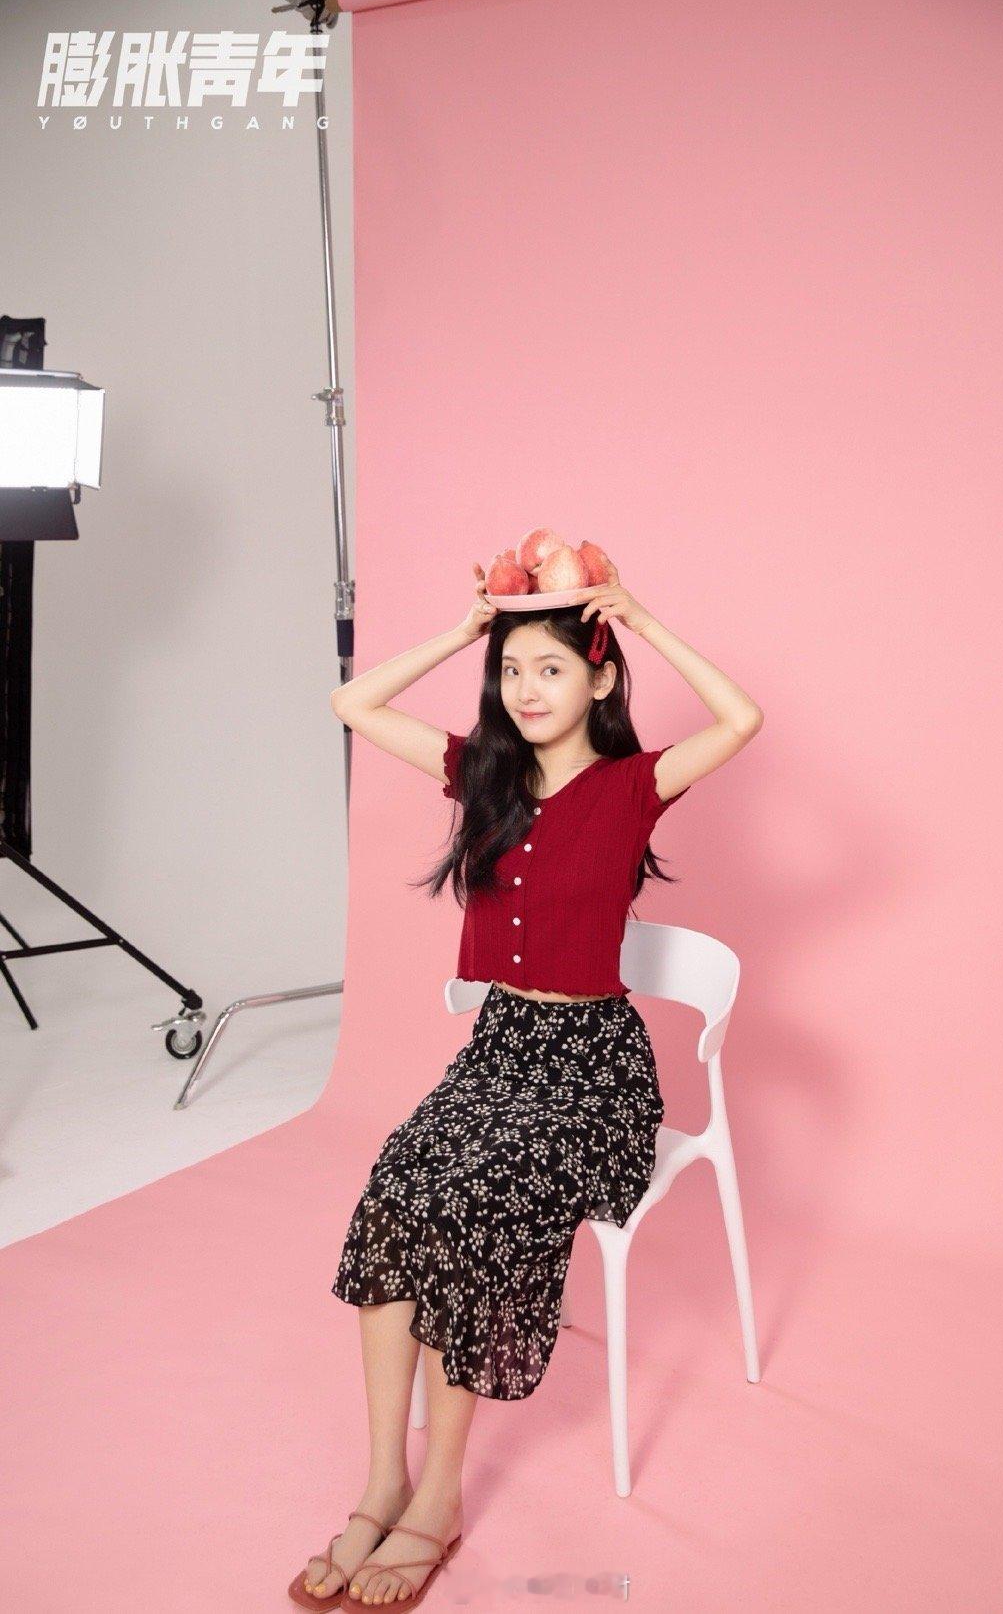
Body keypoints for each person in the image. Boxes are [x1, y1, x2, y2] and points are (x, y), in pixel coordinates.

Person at [289, 562, 763, 1609]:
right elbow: (353, 703)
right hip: (498, 1049)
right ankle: (383, 1482)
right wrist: (467, 630)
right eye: (511, 670)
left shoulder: (636, 786)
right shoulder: (483, 776)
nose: (526, 688)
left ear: (600, 679)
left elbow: (742, 717)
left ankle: (439, 1499)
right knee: (399, 1189)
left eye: (551, 668)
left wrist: (643, 618)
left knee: (473, 1206)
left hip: (594, 1071)